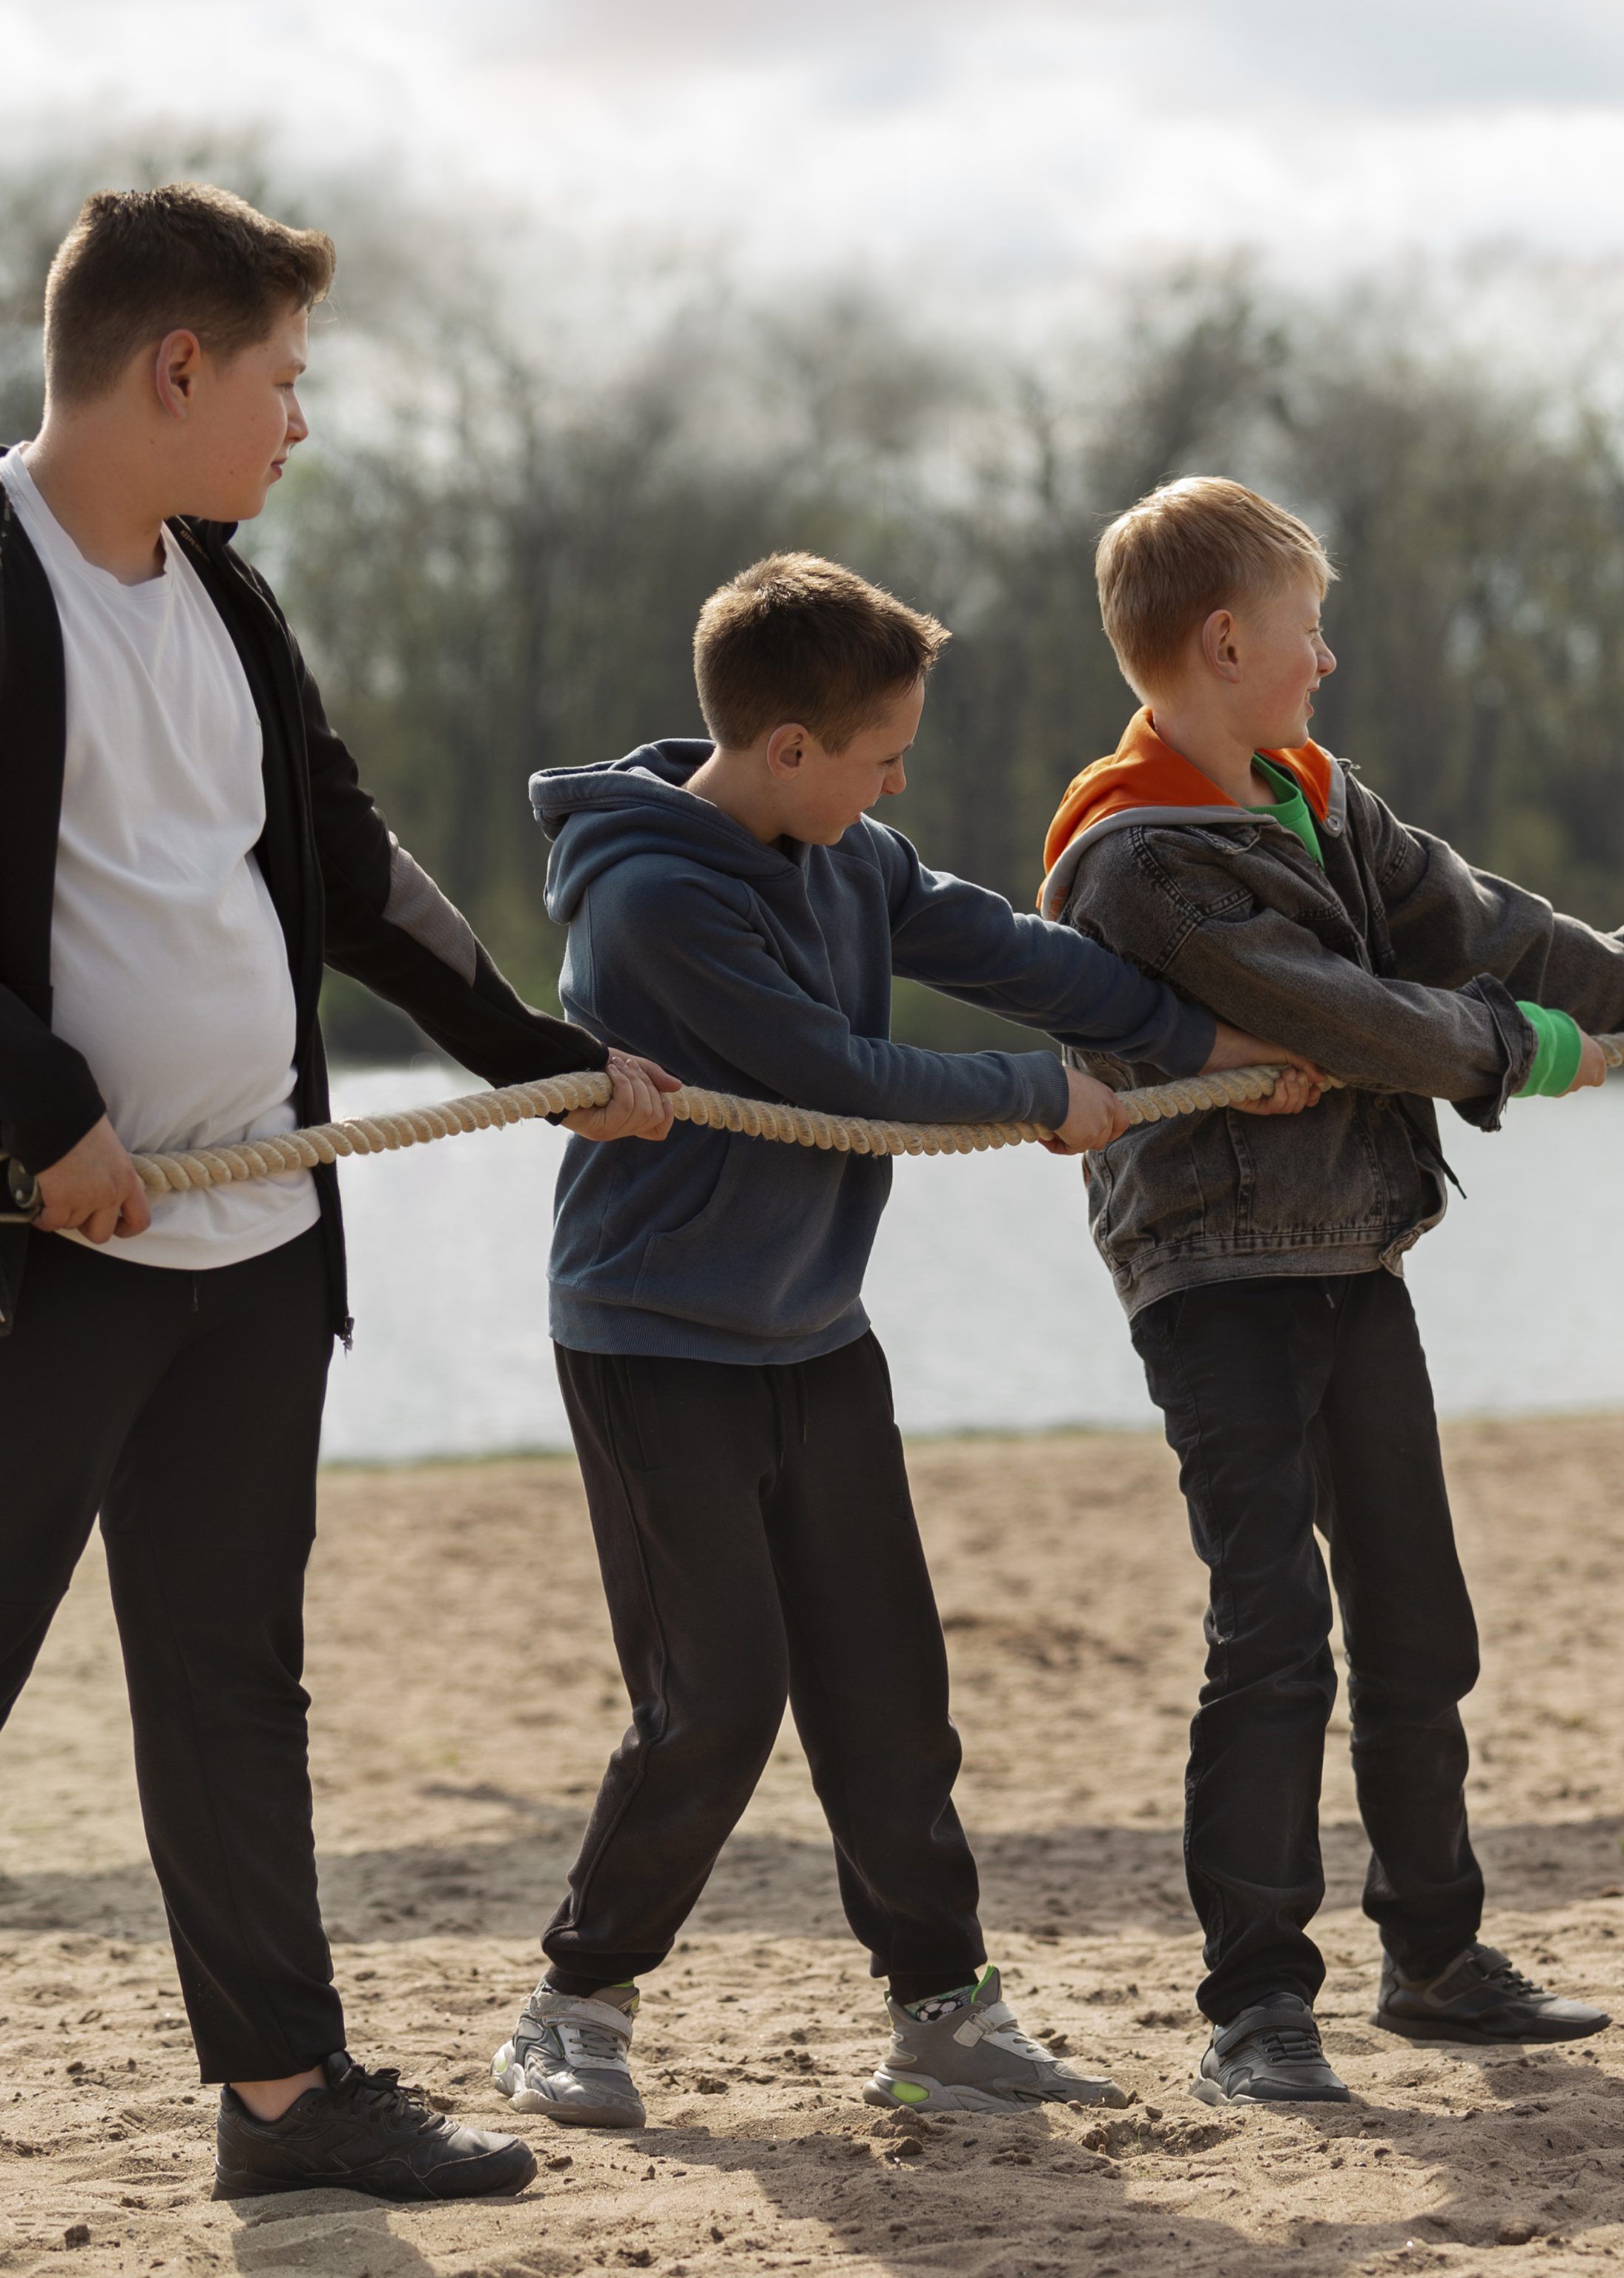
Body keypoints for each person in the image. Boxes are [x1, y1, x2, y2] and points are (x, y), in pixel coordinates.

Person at [0, 183, 677, 2274]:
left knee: (232, 1686)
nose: (294, 427)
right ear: (175, 368)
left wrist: (535, 1045)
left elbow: (346, 860)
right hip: (11, 1253)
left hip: (246, 1258)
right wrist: (43, 1103)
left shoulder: (227, 598)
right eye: (281, 382)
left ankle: (282, 2099)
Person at [486, 553, 1297, 2129]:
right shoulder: (653, 900)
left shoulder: (848, 851)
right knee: (714, 1696)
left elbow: (1003, 948)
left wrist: (1203, 1044)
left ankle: (942, 2017)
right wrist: (1040, 1096)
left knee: (888, 1691)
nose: (897, 780)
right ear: (788, 749)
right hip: (659, 1346)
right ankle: (573, 2005)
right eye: (880, 756)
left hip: (814, 1338)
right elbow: (838, 1075)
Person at [1039, 477, 1624, 2107]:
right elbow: (1348, 1013)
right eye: (1309, 632)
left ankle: (1435, 1956)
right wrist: (1527, 1052)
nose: (1330, 660)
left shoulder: (1313, 789)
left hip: (1354, 1256)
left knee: (1417, 1618)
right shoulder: (1137, 858)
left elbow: (1471, 920)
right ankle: (1256, 2001)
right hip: (1216, 1274)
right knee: (1274, 1632)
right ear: (1227, 642)